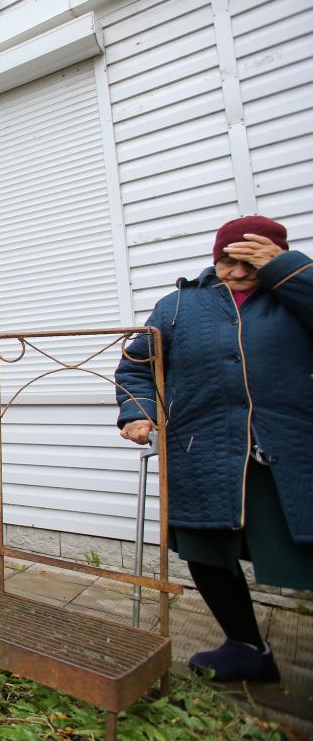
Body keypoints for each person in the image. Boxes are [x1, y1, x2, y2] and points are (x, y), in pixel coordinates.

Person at [116, 216, 312, 683]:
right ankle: (246, 645)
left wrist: (290, 271)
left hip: (287, 449)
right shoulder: (179, 306)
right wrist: (138, 412)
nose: (238, 273)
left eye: (251, 263)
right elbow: (137, 366)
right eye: (228, 262)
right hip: (202, 450)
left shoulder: (294, 295)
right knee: (206, 552)